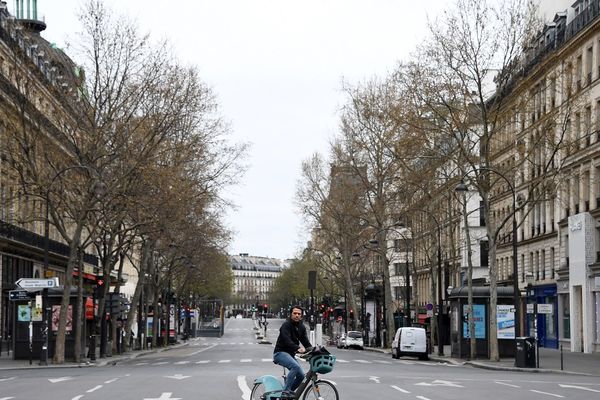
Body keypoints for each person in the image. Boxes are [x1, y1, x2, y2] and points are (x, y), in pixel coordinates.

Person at [273, 305, 312, 398]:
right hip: (280, 353)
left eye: (299, 314)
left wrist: (315, 351)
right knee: (295, 366)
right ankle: (285, 392)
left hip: (291, 355)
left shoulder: (301, 327)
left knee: (301, 376)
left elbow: (306, 343)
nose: (297, 315)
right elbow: (287, 340)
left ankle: (288, 393)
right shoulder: (286, 325)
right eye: (295, 313)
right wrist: (297, 348)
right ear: (291, 314)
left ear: (301, 316)